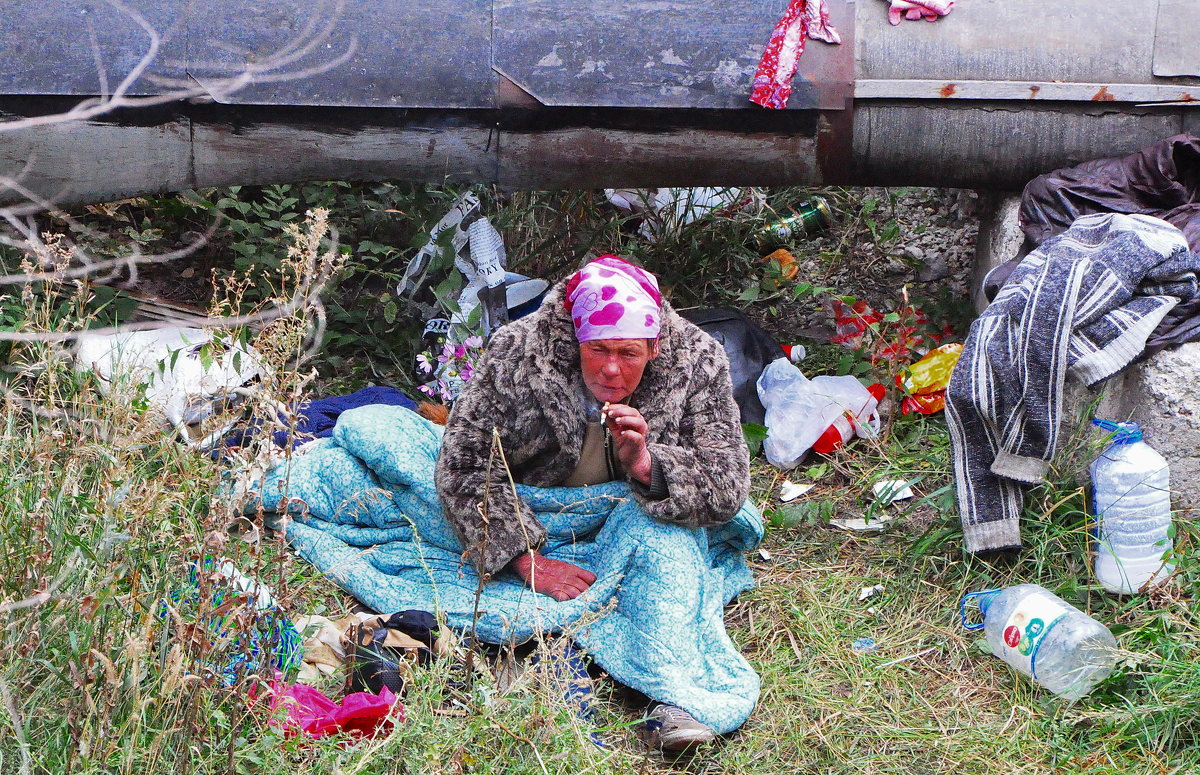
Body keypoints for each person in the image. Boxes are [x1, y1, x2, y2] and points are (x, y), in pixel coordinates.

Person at [435, 255, 754, 749]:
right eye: (597, 350)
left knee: (666, 551)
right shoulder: (517, 353)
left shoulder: (697, 358)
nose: (610, 369)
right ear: (574, 340)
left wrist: (648, 464)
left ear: (656, 346)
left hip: (638, 512)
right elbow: (464, 464)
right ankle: (547, 657)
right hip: (537, 511)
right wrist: (521, 556)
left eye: (628, 354)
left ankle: (673, 702)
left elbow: (728, 483)